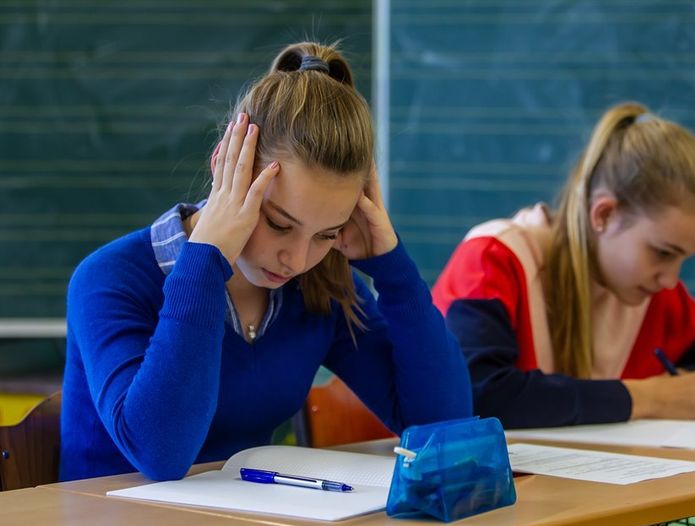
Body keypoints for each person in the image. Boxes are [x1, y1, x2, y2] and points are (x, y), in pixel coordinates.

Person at [60, 41, 472, 481]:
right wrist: (205, 260)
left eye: (326, 234)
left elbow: (441, 426)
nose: (296, 259)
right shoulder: (109, 279)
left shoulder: (321, 286)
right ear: (227, 169)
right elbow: (160, 454)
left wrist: (394, 270)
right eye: (279, 224)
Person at [432, 102, 695, 429]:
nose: (670, 280)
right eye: (663, 253)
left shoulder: (651, 296)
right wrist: (646, 397)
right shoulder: (493, 258)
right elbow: (478, 394)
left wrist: (685, 385)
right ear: (604, 213)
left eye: (684, 258)